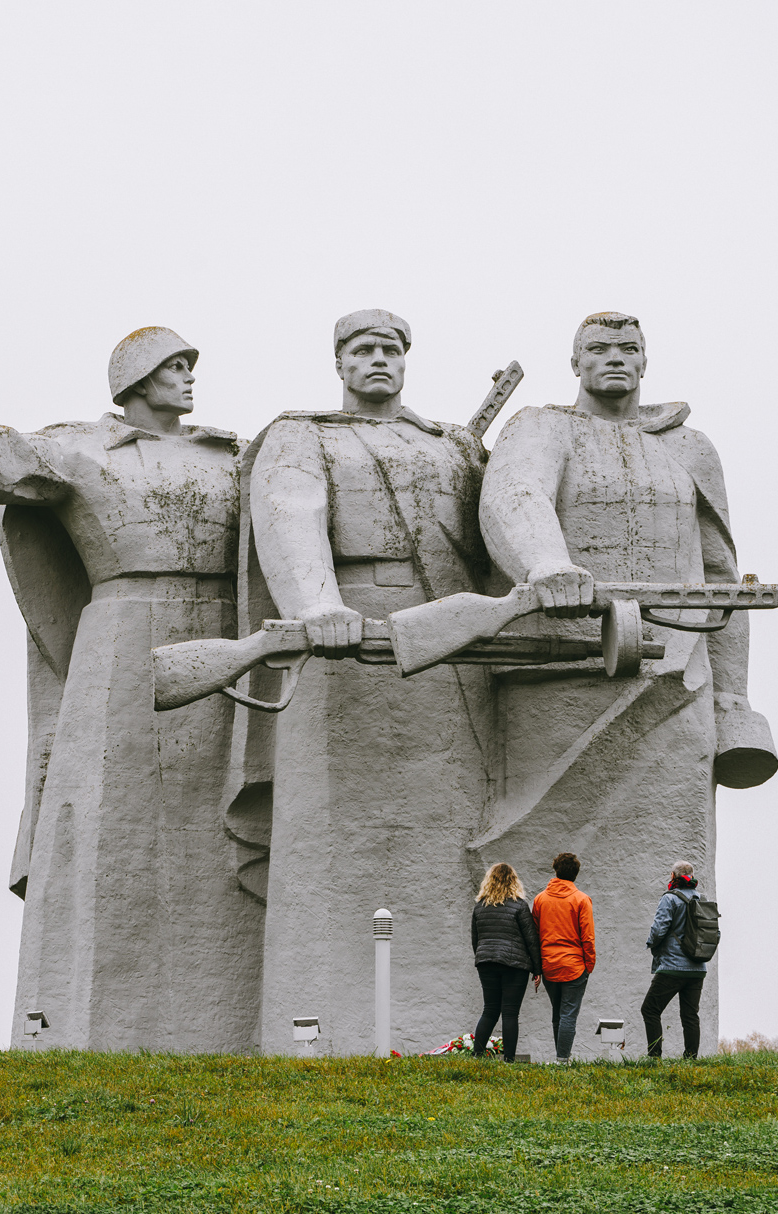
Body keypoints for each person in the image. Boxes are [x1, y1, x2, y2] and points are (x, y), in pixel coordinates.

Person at [0, 327, 264, 1052]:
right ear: (132, 379)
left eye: (191, 366)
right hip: (122, 631)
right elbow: (4, 456)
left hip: (224, 631)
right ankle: (95, 1020)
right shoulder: (80, 448)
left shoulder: (232, 457)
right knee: (111, 819)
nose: (188, 378)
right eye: (173, 367)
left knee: (214, 821)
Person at [473, 311, 776, 1046]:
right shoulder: (541, 428)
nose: (614, 358)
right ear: (573, 362)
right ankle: (536, 1037)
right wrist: (547, 564)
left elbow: (719, 582)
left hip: (676, 677)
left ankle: (647, 1041)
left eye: (627, 348)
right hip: (562, 673)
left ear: (645, 361)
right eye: (598, 349)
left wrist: (732, 697)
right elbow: (511, 499)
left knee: (667, 855)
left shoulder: (689, 448)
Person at [238, 309, 496, 1055]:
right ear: (339, 363)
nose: (377, 360)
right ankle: (316, 1024)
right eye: (362, 349)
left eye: (390, 349)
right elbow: (289, 515)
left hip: (448, 641)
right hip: (345, 637)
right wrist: (318, 608)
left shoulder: (450, 446)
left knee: (452, 831)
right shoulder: (303, 434)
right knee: (327, 835)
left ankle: (457, 1030)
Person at [470, 863, 541, 1061]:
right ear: (513, 881)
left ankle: (477, 1055)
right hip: (514, 965)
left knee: (490, 1010)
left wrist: (484, 958)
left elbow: (476, 940)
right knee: (510, 1013)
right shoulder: (519, 905)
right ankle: (509, 1060)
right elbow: (531, 940)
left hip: (486, 962)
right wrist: (537, 969)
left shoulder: (479, 907)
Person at [531, 852, 595, 1062]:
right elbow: (588, 937)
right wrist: (589, 965)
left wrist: (538, 966)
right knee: (568, 1014)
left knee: (557, 1014)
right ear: (575, 874)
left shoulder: (540, 899)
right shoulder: (581, 900)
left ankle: (560, 1058)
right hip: (574, 966)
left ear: (555, 870)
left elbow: (535, 934)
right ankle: (562, 1060)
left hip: (550, 965)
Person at [642, 861, 707, 1058]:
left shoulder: (669, 898)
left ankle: (654, 1057)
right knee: (690, 1015)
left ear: (673, 876)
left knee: (650, 1009)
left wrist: (650, 943)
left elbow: (659, 929)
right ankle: (691, 1058)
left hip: (672, 967)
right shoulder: (703, 899)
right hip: (698, 968)